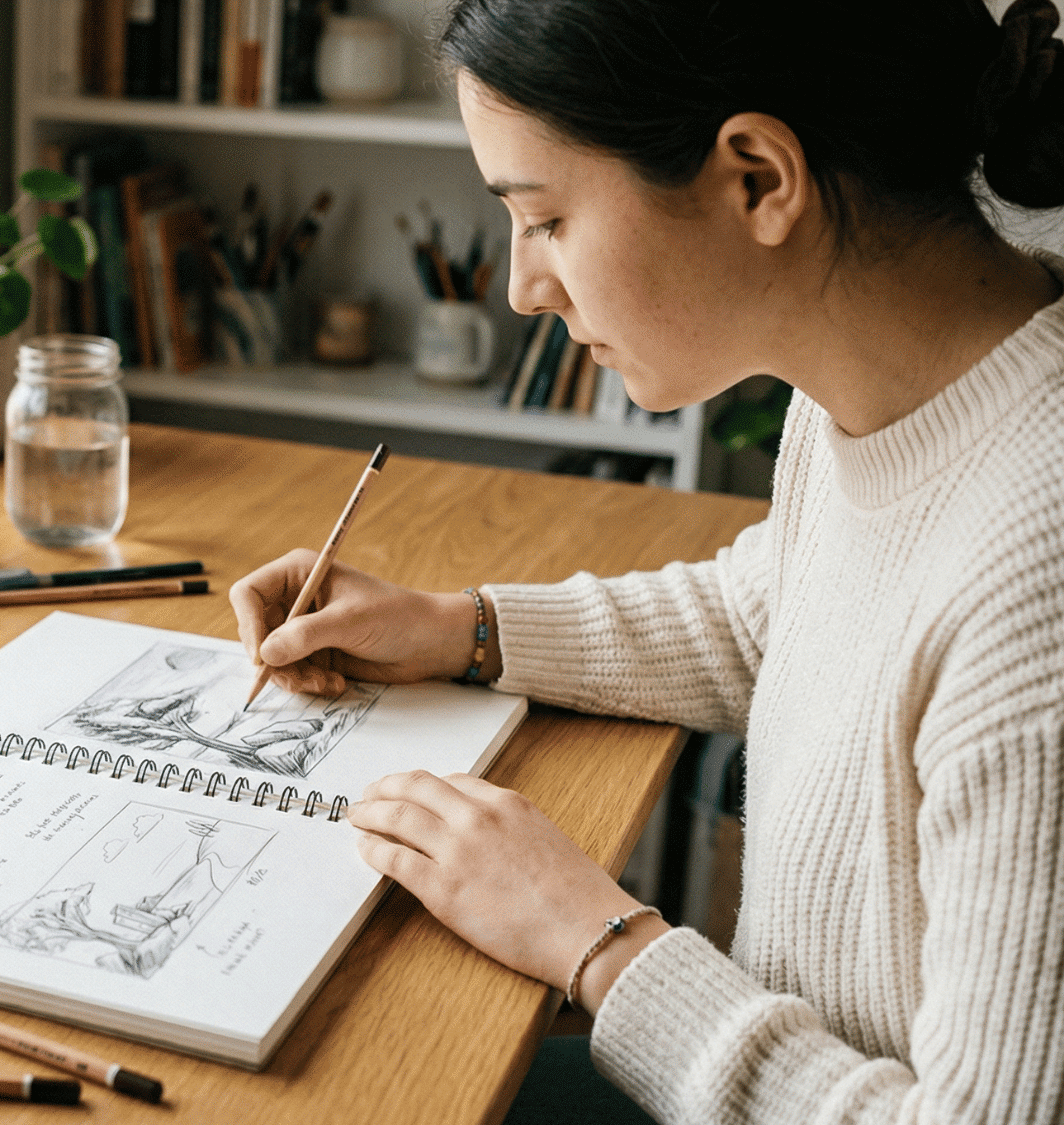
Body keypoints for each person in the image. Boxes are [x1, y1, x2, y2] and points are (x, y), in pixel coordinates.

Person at [228, 1, 1064, 1121]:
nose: (523, 286)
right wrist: (462, 628)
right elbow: (772, 614)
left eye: (546, 218)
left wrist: (595, 943)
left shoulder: (1036, 578)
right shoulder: (887, 386)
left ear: (758, 179)